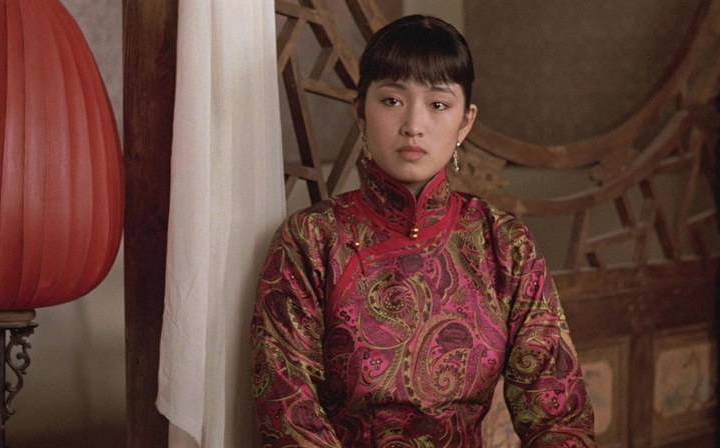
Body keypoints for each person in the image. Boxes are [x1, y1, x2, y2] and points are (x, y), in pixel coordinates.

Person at [251, 14, 596, 447]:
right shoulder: (311, 241)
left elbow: (559, 416)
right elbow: (289, 417)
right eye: (392, 100)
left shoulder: (505, 245)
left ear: (465, 121)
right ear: (360, 112)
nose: (413, 124)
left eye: (438, 105)